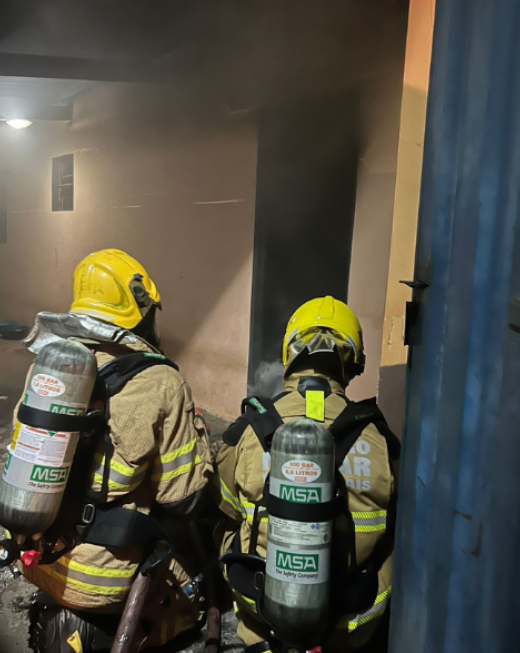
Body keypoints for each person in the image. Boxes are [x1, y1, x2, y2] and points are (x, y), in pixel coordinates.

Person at [12, 249, 214, 651]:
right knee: (199, 567)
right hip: (108, 585)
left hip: (41, 560)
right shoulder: (160, 380)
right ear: (139, 306)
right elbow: (185, 498)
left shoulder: (50, 370)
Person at [215, 296, 398, 652]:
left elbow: (220, 504)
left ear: (290, 354)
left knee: (228, 520)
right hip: (351, 623)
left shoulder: (247, 429)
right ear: (353, 362)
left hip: (261, 614)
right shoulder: (380, 438)